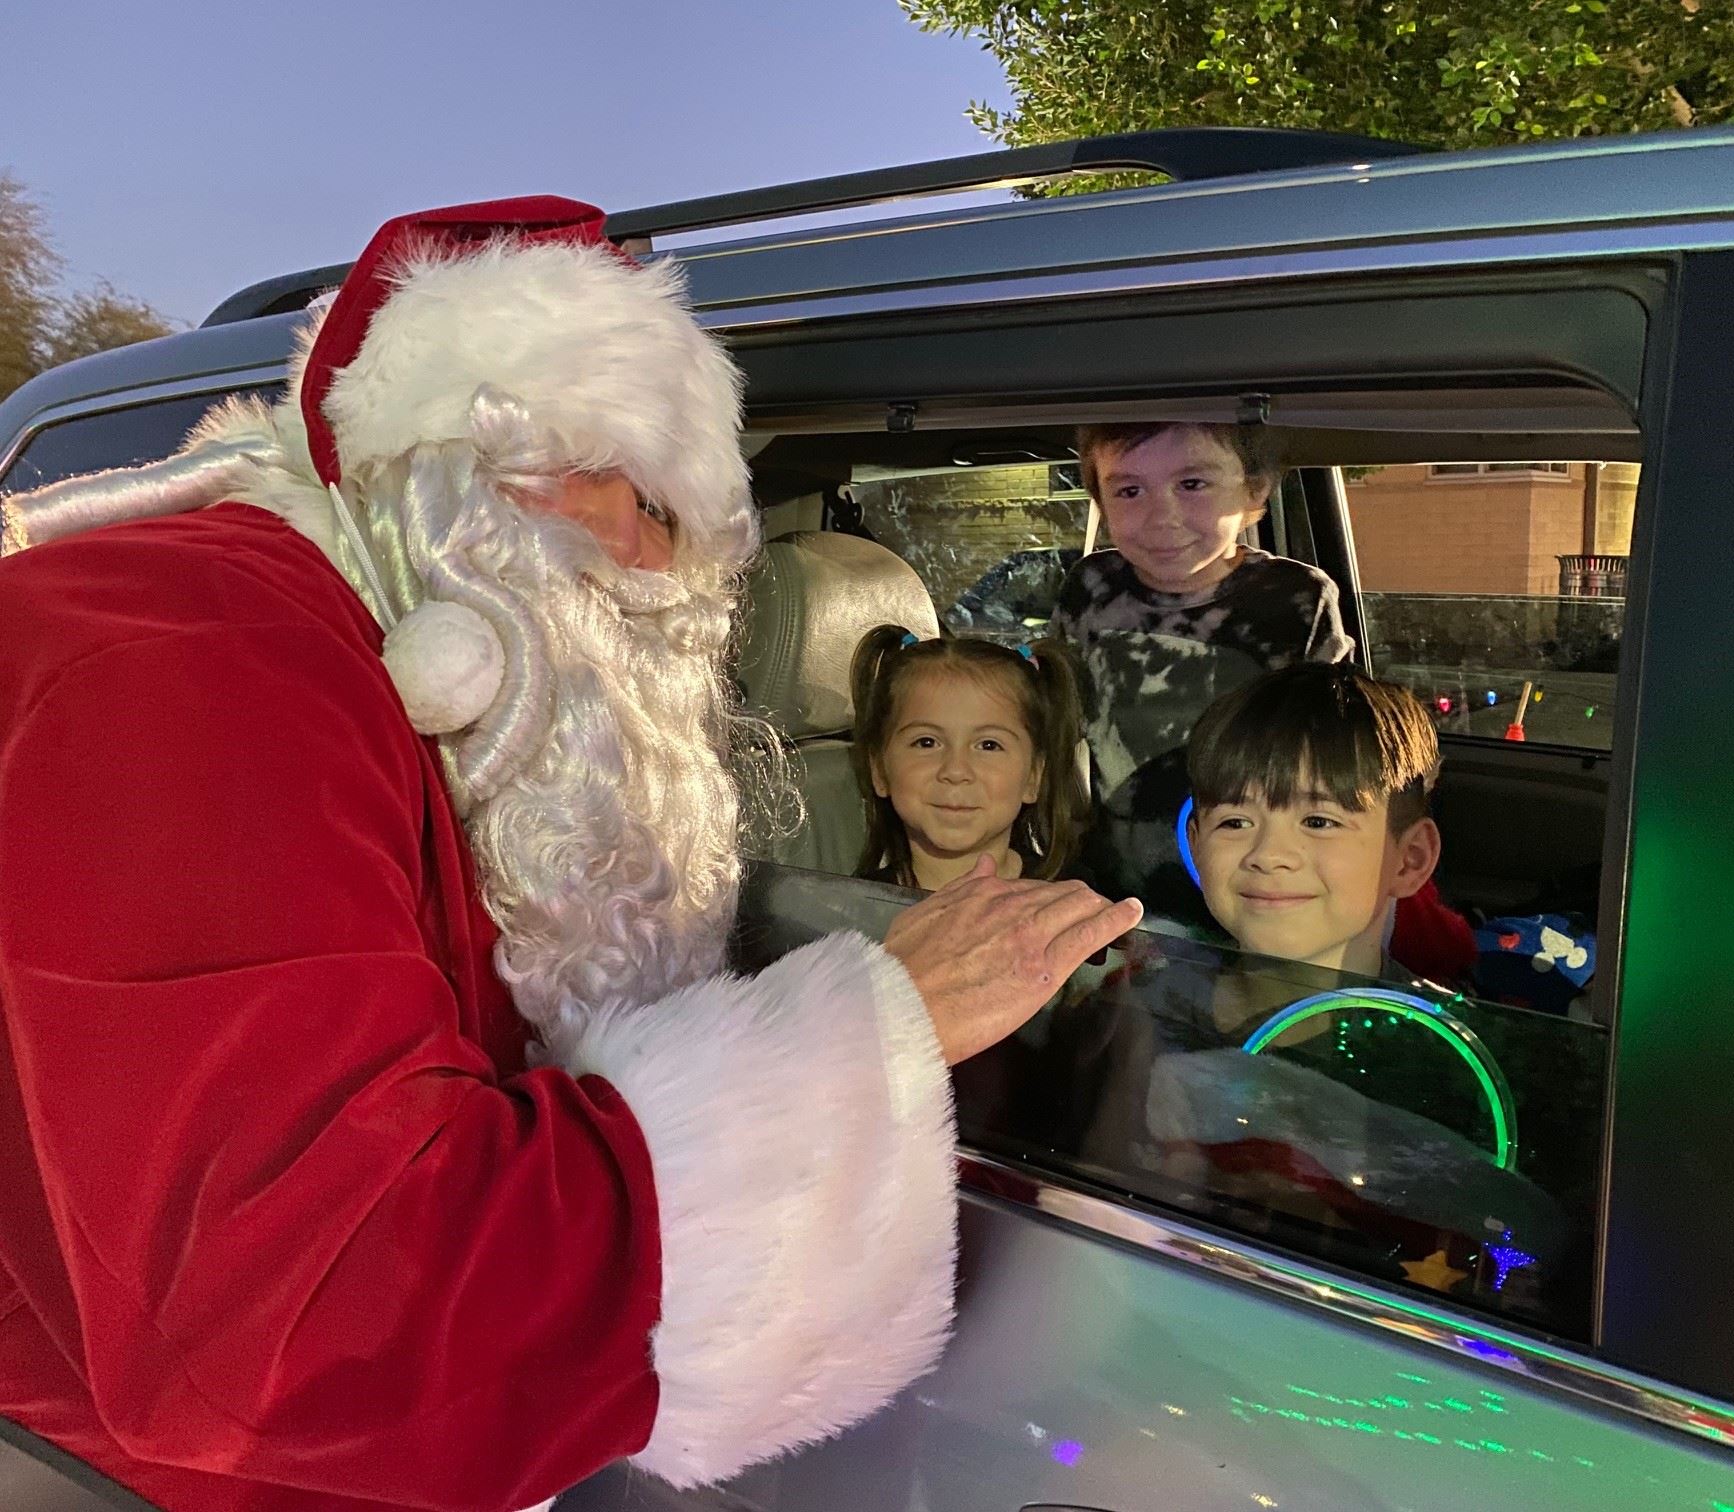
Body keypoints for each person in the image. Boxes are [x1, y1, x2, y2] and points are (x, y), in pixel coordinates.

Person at [0, 198, 1139, 1512]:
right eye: (621, 486)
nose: (663, 565)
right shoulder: (189, 663)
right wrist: (874, 1022)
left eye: (683, 514)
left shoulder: (424, 674)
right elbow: (312, 1332)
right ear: (463, 467)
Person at [1049, 421, 1351, 917]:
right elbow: (1056, 717)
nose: (1160, 517)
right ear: (1101, 505)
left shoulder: (1295, 599)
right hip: (1110, 876)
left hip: (1249, 877)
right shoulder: (1091, 586)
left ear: (1254, 489)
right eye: (1128, 490)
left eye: (1191, 484)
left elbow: (1332, 751)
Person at [1185, 662, 1444, 979]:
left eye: (1319, 822)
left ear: (1409, 859)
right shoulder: (1138, 1005)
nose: (1268, 856)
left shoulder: (1433, 1029)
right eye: (1235, 823)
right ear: (1195, 846)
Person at [850, 626, 1088, 892]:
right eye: (926, 742)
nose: (955, 770)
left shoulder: (1074, 903)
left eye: (989, 745)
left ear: (1033, 777)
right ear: (880, 771)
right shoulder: (852, 913)